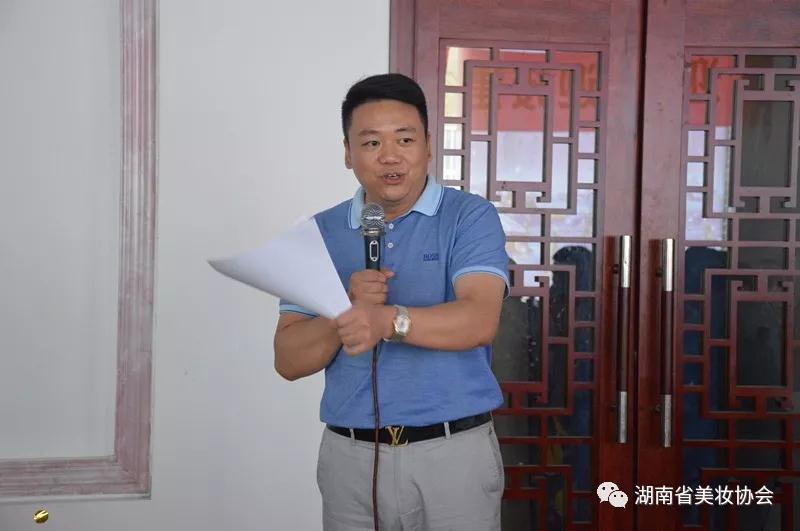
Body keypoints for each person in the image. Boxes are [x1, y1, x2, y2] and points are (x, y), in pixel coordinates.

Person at [273, 73, 509, 531]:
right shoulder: (316, 234)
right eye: (371, 143)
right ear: (348, 152)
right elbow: (288, 359)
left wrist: (386, 321)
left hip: (453, 455)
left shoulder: (469, 216)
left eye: (405, 139)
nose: (390, 156)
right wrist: (345, 311)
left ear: (428, 145)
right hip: (351, 458)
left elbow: (480, 320)